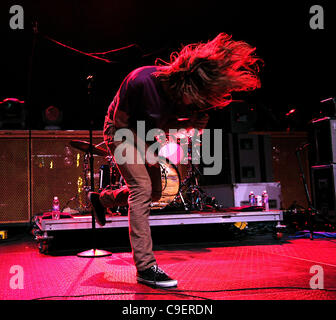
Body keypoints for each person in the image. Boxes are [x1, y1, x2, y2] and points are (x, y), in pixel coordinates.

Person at [88, 32, 262, 288]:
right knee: (142, 188)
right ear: (185, 84)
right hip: (119, 131)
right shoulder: (141, 80)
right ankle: (146, 267)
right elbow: (121, 124)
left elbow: (162, 121)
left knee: (157, 193)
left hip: (147, 135)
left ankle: (101, 199)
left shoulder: (181, 97)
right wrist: (146, 152)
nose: (196, 103)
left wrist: (190, 122)